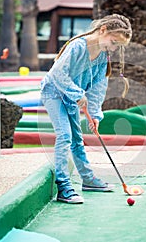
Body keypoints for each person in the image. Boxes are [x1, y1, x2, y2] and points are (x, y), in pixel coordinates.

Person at [40, 14, 132, 204]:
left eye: (117, 46)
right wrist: (77, 93)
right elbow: (58, 73)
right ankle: (64, 187)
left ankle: (88, 180)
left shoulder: (102, 56)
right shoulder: (78, 47)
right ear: (103, 30)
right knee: (64, 136)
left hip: (72, 97)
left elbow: (99, 86)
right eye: (113, 42)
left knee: (76, 139)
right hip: (54, 93)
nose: (113, 48)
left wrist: (95, 114)